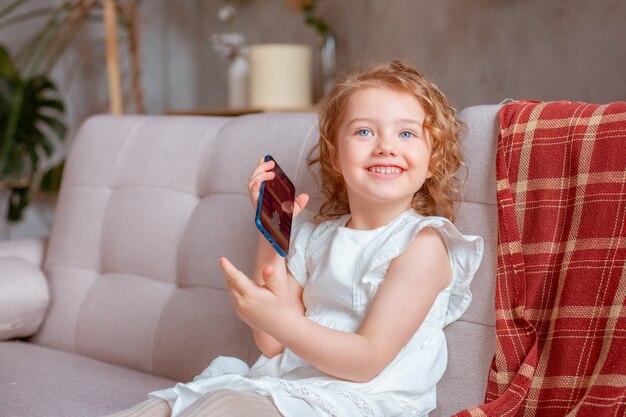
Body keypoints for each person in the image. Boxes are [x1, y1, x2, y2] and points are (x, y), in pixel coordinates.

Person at [107, 60, 483, 417]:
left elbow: (368, 359)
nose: (386, 145)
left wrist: (278, 321)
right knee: (166, 406)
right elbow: (271, 343)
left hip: (363, 402)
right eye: (364, 131)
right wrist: (273, 231)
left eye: (406, 133)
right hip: (294, 389)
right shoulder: (318, 239)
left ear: (432, 159)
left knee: (218, 407)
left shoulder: (422, 245)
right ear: (336, 157)